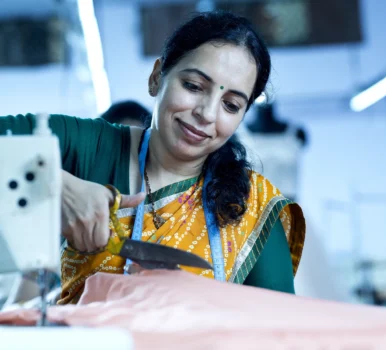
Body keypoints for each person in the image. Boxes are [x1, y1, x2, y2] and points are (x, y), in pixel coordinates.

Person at [0, 11, 305, 304]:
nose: (206, 114)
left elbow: (280, 328)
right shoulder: (82, 146)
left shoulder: (252, 205)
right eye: (193, 86)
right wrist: (54, 185)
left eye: (231, 105)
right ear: (157, 77)